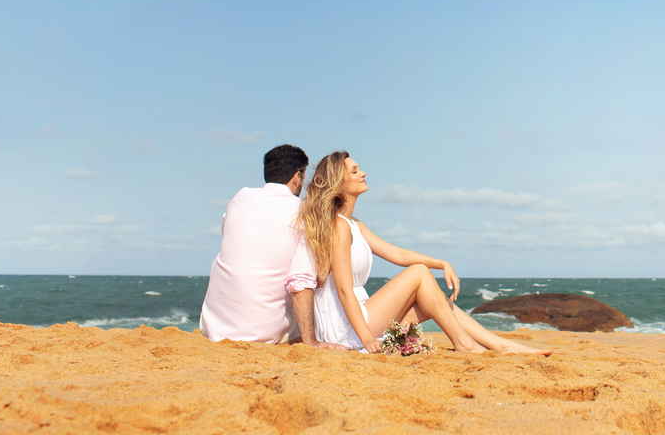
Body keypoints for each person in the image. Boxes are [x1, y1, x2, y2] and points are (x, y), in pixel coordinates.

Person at [297, 151, 551, 355]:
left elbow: (396, 254)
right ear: (338, 185)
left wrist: (440, 262)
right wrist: (365, 338)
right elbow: (343, 290)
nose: (363, 173)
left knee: (433, 298)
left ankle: (501, 345)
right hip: (346, 325)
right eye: (354, 171)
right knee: (419, 273)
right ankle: (466, 344)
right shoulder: (339, 226)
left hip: (359, 314)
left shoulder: (355, 225)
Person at [199, 144, 343, 349]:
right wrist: (310, 342)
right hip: (262, 333)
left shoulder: (239, 198)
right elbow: (300, 281)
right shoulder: (302, 212)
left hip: (212, 326)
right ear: (297, 177)